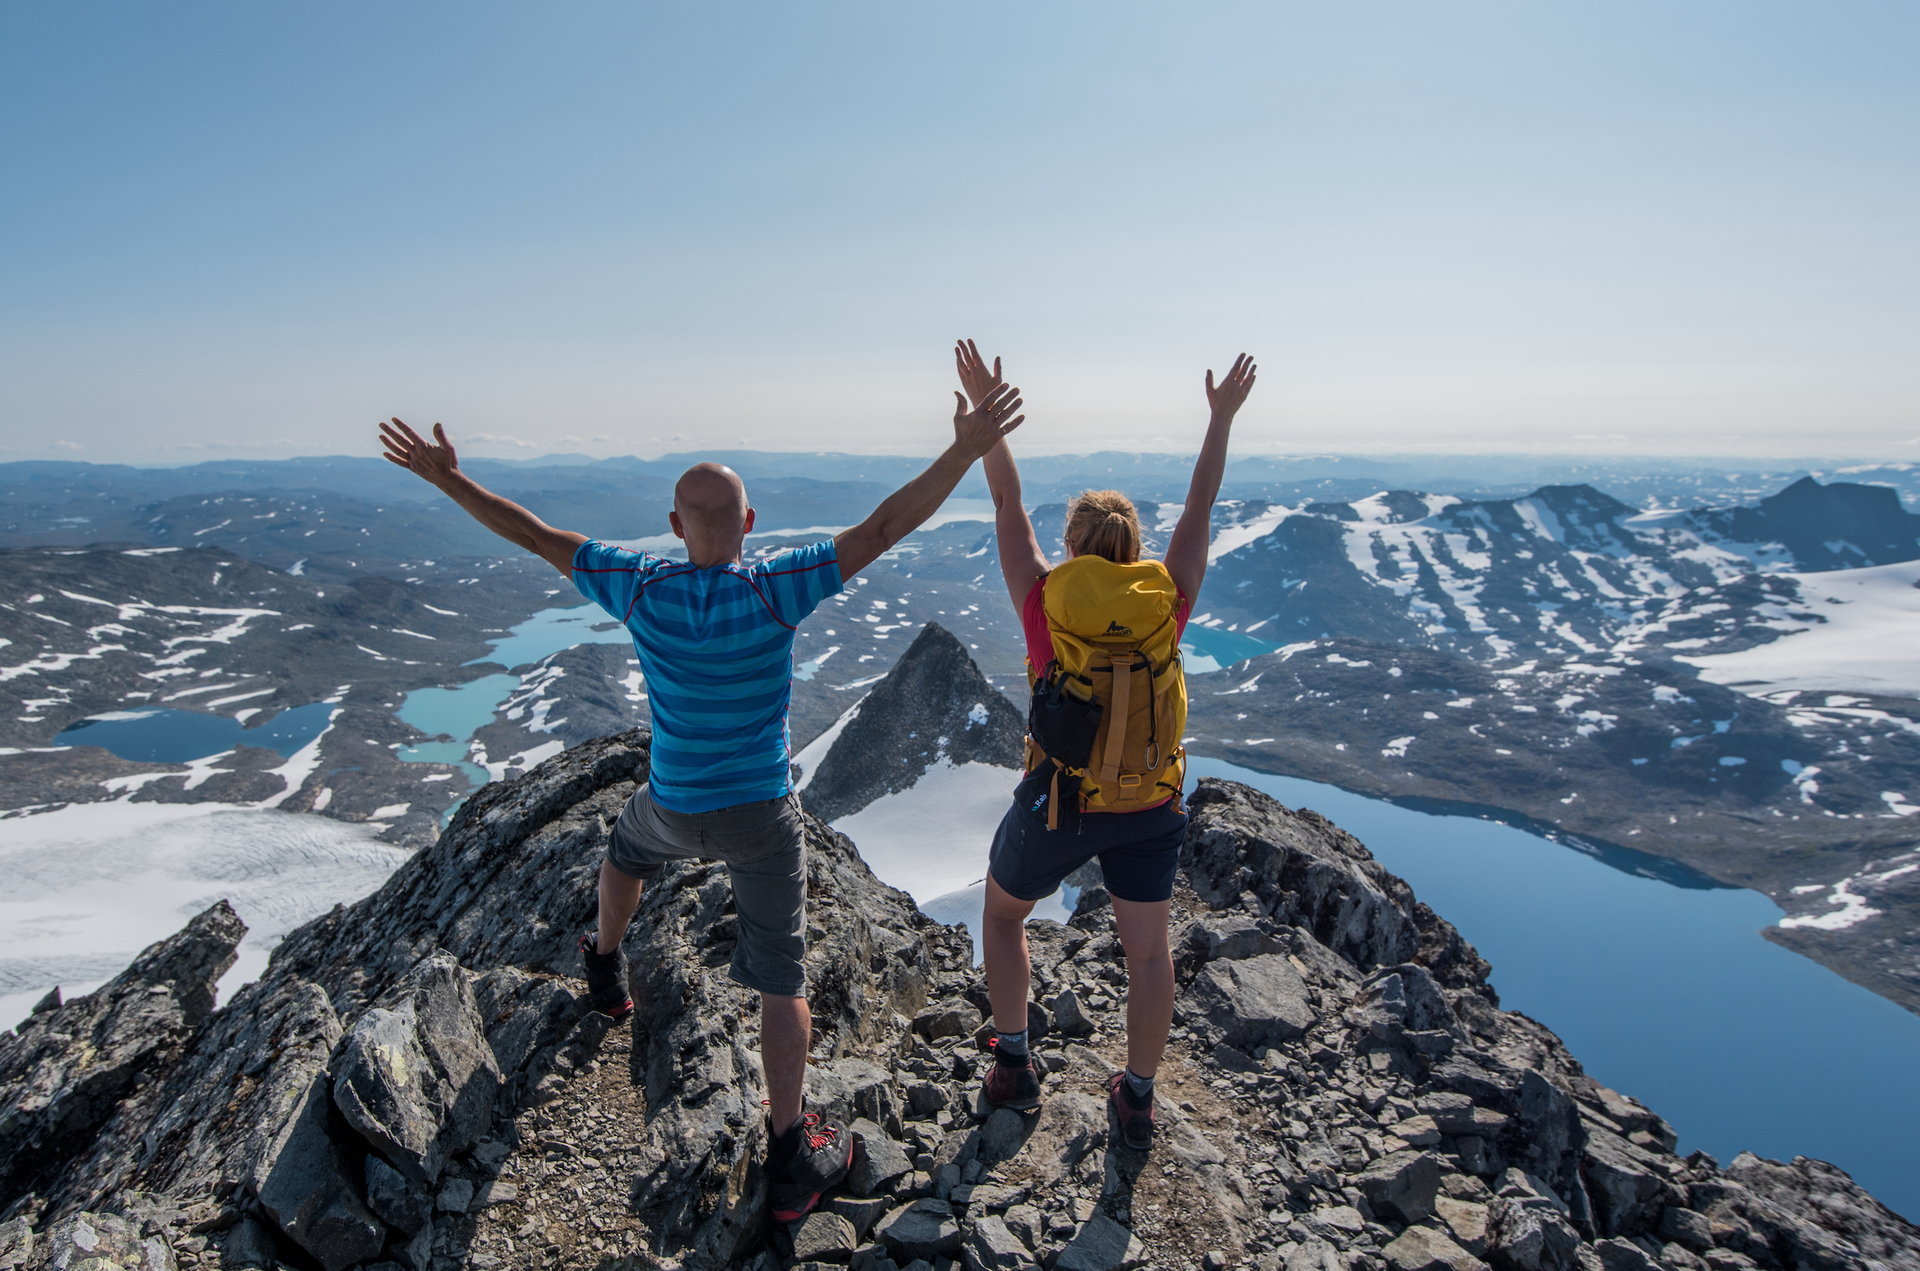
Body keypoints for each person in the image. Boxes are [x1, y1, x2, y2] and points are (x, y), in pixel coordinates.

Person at [376, 379, 1024, 1221]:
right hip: (760, 812)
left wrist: (449, 481)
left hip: (675, 801)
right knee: (781, 977)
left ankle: (606, 968)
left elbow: (536, 535)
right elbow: (884, 527)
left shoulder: (640, 585)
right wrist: (967, 450)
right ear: (749, 527)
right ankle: (791, 1153)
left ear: (677, 526)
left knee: (624, 850)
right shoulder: (773, 588)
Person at [953, 338, 1255, 1151]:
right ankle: (1139, 1097)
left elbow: (1007, 504)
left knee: (1004, 914)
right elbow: (1200, 511)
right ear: (1132, 549)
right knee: (1148, 955)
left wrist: (987, 421)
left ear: (1077, 547)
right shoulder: (1167, 605)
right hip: (1152, 802)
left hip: (1062, 801)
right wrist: (1219, 419)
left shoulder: (1045, 604)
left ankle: (1013, 1065)